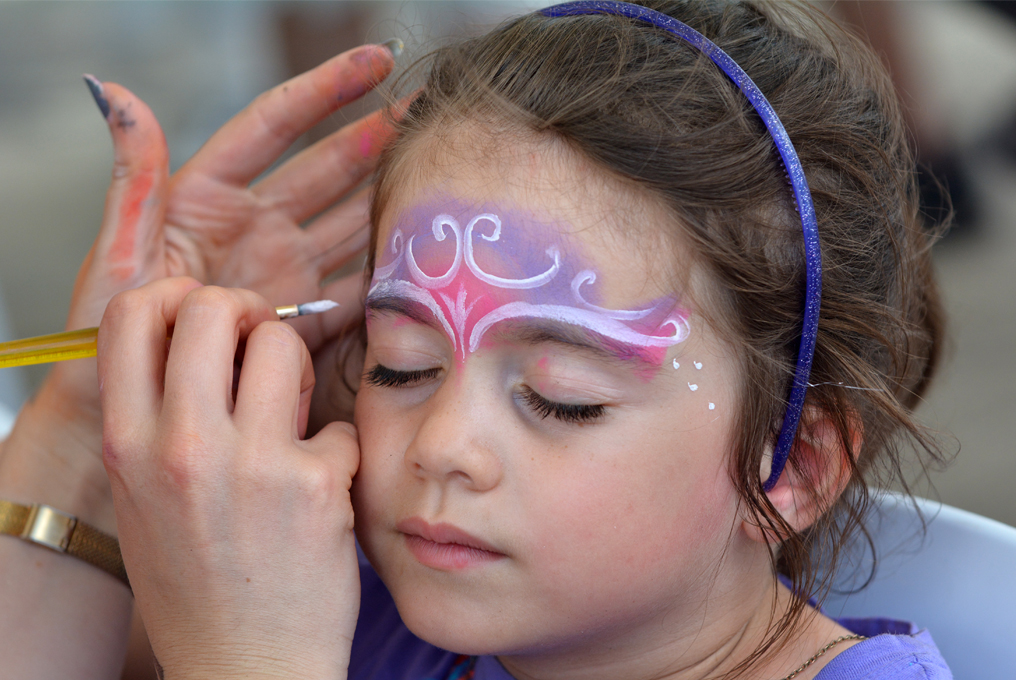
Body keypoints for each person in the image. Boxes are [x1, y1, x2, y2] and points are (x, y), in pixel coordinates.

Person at [0, 1, 953, 679]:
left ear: (793, 465)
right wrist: (87, 423)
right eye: (400, 365)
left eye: (559, 397)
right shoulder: (366, 620)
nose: (443, 445)